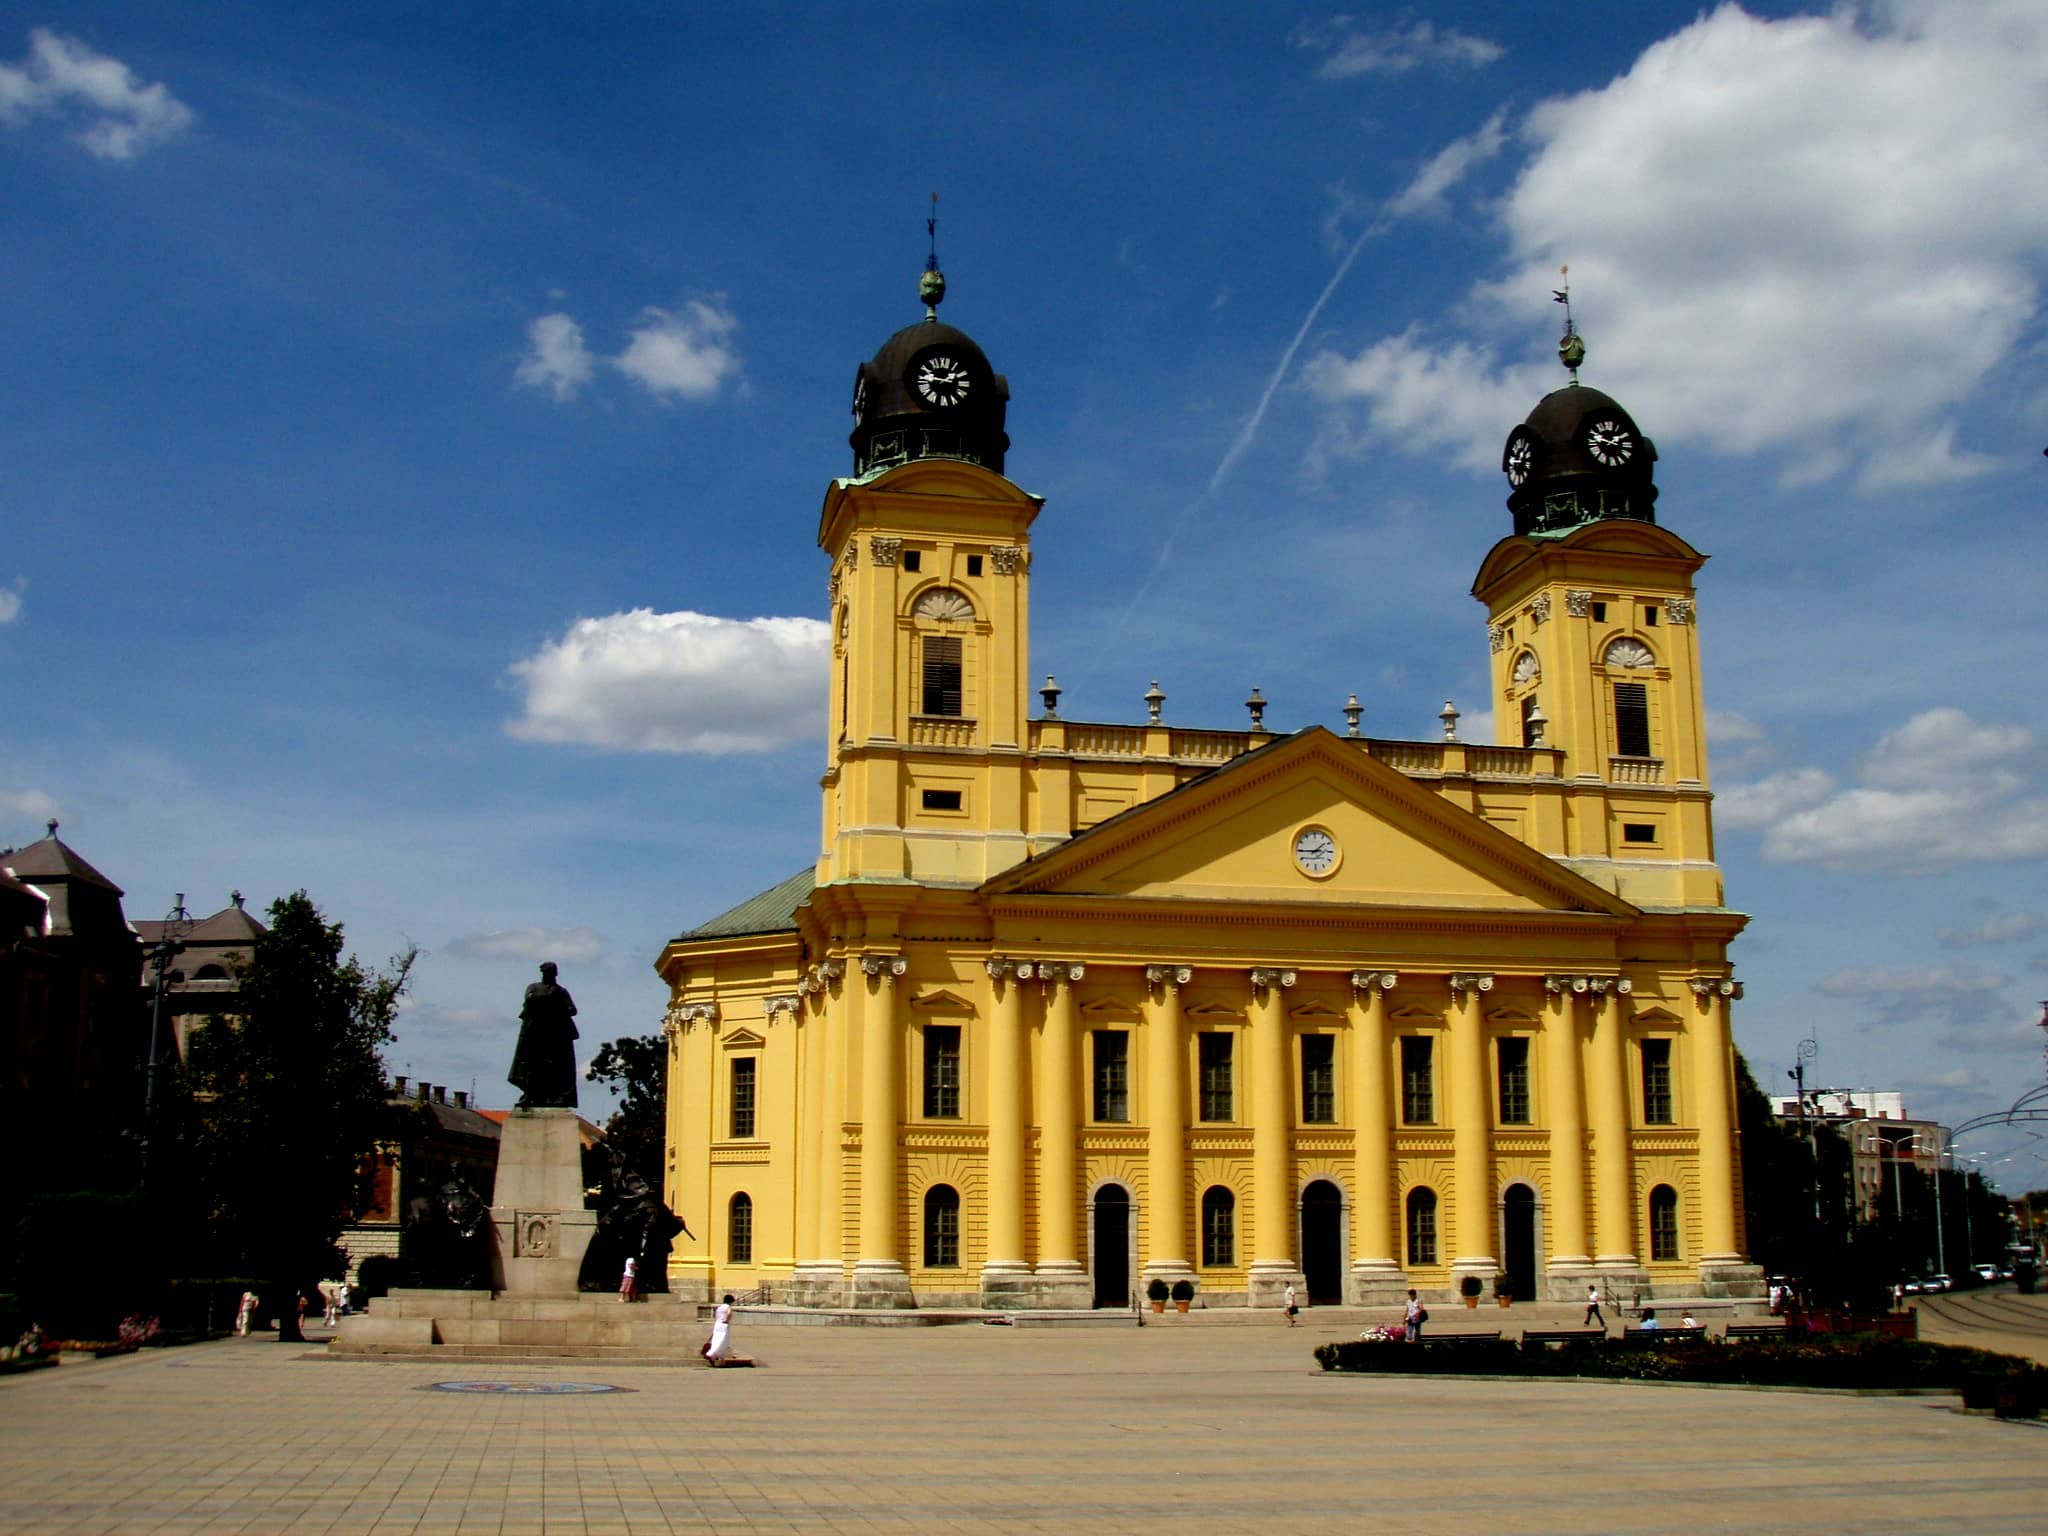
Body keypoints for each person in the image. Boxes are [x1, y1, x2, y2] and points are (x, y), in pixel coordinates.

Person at [509, 961, 580, 1109]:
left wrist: (556, 1008)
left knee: (556, 1068)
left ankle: (555, 1097)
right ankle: (530, 1095)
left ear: (555, 974)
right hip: (535, 1033)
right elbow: (528, 1002)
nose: (548, 976)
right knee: (531, 1065)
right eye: (546, 973)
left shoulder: (561, 991)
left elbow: (572, 1009)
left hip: (555, 1035)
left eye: (551, 973)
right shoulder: (533, 987)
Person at [704, 1293, 735, 1366]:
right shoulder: (728, 1307)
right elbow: (730, 1314)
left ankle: (714, 1356)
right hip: (724, 1325)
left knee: (716, 1340)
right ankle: (720, 1358)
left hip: (717, 1325)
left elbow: (717, 1316)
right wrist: (727, 1320)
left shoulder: (720, 1307)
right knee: (723, 1342)